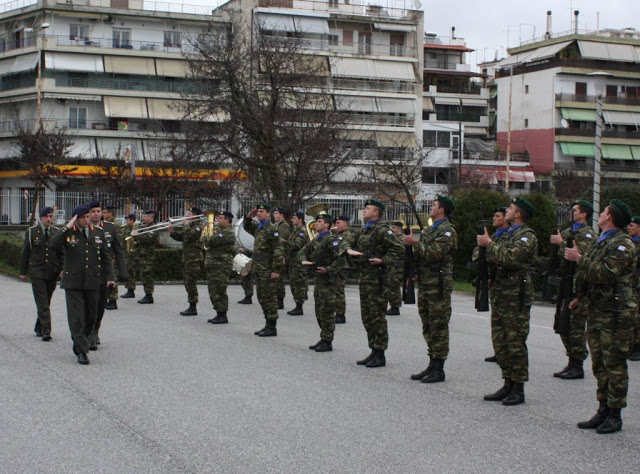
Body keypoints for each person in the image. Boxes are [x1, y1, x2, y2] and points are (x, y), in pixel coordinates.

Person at [566, 200, 636, 433]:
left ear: (611, 217)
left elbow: (606, 272)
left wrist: (579, 259)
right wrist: (580, 296)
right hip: (597, 309)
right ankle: (603, 408)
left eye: (604, 211)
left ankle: (615, 414)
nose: (601, 213)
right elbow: (588, 274)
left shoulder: (623, 244)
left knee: (614, 363)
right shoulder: (601, 240)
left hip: (615, 313)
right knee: (599, 363)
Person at [478, 197, 538, 406]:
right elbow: (491, 257)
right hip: (501, 294)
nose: (507, 211)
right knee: (500, 341)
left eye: (511, 209)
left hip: (516, 297)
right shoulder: (507, 234)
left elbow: (511, 258)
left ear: (519, 214)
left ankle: (518, 388)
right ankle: (507, 382)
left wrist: (490, 245)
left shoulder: (526, 236)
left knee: (515, 342)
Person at [50, 204, 115, 365]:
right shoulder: (68, 234)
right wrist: (67, 226)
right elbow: (53, 244)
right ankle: (81, 350)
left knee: (91, 317)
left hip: (93, 281)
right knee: (76, 317)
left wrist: (110, 277)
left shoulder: (98, 233)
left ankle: (81, 341)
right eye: (83, 217)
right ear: (76, 219)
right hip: (73, 282)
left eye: (88, 217)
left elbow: (106, 258)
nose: (87, 220)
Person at [405, 195, 457, 384]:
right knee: (427, 324)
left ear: (441, 209)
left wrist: (415, 244)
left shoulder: (448, 231)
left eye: (434, 205)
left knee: (439, 327)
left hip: (438, 285)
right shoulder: (429, 230)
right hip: (426, 283)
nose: (431, 208)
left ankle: (439, 368)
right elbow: (423, 256)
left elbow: (435, 253)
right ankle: (432, 362)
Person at [346, 199, 403, 368]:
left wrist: (383, 260)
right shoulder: (365, 230)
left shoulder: (383, 230)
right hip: (365, 278)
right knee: (368, 317)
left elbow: (398, 249)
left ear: (376, 213)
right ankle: (373, 349)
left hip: (378, 279)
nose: (364, 210)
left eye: (367, 208)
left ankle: (380, 353)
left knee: (377, 317)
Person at [550, 200, 595, 379]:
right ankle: (571, 361)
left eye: (575, 210)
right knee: (563, 324)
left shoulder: (588, 234)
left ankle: (578, 364)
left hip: (579, 285)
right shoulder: (570, 231)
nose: (571, 212)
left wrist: (560, 243)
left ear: (584, 214)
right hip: (565, 283)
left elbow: (577, 255)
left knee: (576, 326)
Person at [300, 214, 345, 352]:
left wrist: (328, 269)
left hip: (329, 280)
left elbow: (341, 259)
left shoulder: (331, 240)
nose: (316, 224)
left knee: (327, 310)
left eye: (319, 222)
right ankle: (323, 336)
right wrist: (303, 260)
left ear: (327, 225)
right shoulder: (317, 239)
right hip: (319, 280)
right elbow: (302, 251)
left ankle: (328, 340)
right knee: (319, 310)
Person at [19, 206, 63, 341]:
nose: (49, 219)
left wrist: (62, 269)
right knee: (42, 301)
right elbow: (26, 252)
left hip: (52, 271)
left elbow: (61, 253)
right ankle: (46, 330)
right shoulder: (32, 232)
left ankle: (39, 325)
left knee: (46, 301)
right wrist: (23, 271)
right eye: (47, 217)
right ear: (41, 218)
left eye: (51, 216)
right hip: (37, 271)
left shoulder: (56, 232)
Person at [87, 201, 127, 348]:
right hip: (88, 273)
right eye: (93, 211)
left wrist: (122, 272)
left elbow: (118, 250)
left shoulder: (109, 228)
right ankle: (90, 333)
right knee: (89, 305)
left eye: (99, 211)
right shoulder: (84, 228)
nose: (96, 214)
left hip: (104, 274)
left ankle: (95, 329)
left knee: (100, 306)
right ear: (88, 214)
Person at [243, 203, 285, 337]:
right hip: (259, 269)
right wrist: (249, 216)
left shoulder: (272, 230)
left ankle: (272, 326)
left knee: (269, 298)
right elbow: (246, 226)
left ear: (268, 214)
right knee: (261, 297)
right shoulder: (259, 228)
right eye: (258, 211)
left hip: (268, 270)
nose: (259, 213)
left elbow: (278, 251)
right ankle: (267, 324)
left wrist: (276, 270)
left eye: (262, 211)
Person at [481, 207, 510, 363]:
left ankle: (506, 351)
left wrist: (489, 245)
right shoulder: (494, 236)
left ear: (505, 219)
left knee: (507, 320)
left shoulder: (508, 236)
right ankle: (499, 350)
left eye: (497, 216)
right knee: (497, 319)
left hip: (507, 285)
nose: (494, 218)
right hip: (496, 282)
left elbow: (505, 257)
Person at [169, 207, 204, 316]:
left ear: (195, 215)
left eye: (190, 214)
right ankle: (191, 304)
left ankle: (193, 306)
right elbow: (182, 237)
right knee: (187, 282)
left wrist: (186, 225)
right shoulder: (191, 226)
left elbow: (191, 235)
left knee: (191, 282)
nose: (187, 216)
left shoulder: (198, 226)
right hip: (187, 258)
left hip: (194, 258)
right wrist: (172, 232)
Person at [203, 210, 236, 324]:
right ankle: (218, 312)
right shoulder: (219, 230)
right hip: (213, 264)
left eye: (220, 218)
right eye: (217, 218)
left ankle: (222, 314)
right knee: (213, 289)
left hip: (221, 265)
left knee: (219, 290)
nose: (217, 220)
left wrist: (204, 236)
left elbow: (211, 241)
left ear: (227, 220)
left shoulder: (228, 232)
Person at [132, 210, 159, 304]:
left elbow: (148, 238)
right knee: (144, 275)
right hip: (143, 255)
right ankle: (147, 294)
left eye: (145, 217)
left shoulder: (153, 227)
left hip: (149, 255)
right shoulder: (146, 227)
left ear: (150, 218)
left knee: (147, 275)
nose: (143, 218)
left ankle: (149, 295)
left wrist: (137, 235)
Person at [286, 211, 309, 316]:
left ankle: (299, 307)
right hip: (293, 262)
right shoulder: (296, 231)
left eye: (294, 218)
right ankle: (297, 305)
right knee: (294, 284)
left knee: (299, 284)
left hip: (299, 263)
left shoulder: (302, 232)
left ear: (300, 219)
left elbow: (296, 245)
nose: (292, 220)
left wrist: (282, 241)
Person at [333, 214, 354, 324]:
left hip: (342, 266)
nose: (335, 225)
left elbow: (339, 249)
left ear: (345, 223)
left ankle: (340, 314)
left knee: (339, 291)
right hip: (335, 266)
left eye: (338, 223)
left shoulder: (347, 236)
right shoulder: (338, 235)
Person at [102, 203, 121, 310]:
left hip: (112, 256)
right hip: (107, 255)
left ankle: (113, 300)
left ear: (110, 213)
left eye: (104, 212)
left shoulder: (115, 225)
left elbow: (117, 242)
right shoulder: (105, 224)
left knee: (113, 277)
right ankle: (108, 298)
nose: (102, 214)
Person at [385, 220, 406, 316]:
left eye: (394, 228)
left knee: (394, 286)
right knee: (390, 285)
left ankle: (395, 306)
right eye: (391, 228)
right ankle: (393, 305)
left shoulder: (402, 239)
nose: (392, 230)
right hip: (391, 265)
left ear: (399, 229)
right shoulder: (392, 238)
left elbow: (401, 251)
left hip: (398, 266)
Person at [273, 207, 291, 310]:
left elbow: (282, 241)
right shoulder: (276, 225)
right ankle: (276, 299)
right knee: (276, 280)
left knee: (279, 280)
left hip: (281, 255)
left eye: (276, 213)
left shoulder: (284, 226)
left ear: (281, 215)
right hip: (276, 255)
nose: (274, 215)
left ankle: (280, 301)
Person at [627, 216, 640, 361]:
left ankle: (638, 347)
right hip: (630, 285)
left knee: (637, 317)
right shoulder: (629, 242)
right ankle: (631, 345)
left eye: (632, 225)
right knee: (630, 316)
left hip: (637, 285)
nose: (629, 228)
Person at [121, 213, 138, 299]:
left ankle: (131, 290)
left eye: (128, 220)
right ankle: (128, 289)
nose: (126, 222)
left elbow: (134, 240)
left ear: (132, 220)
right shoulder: (126, 228)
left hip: (131, 253)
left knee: (131, 271)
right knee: (127, 271)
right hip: (125, 252)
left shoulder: (135, 228)